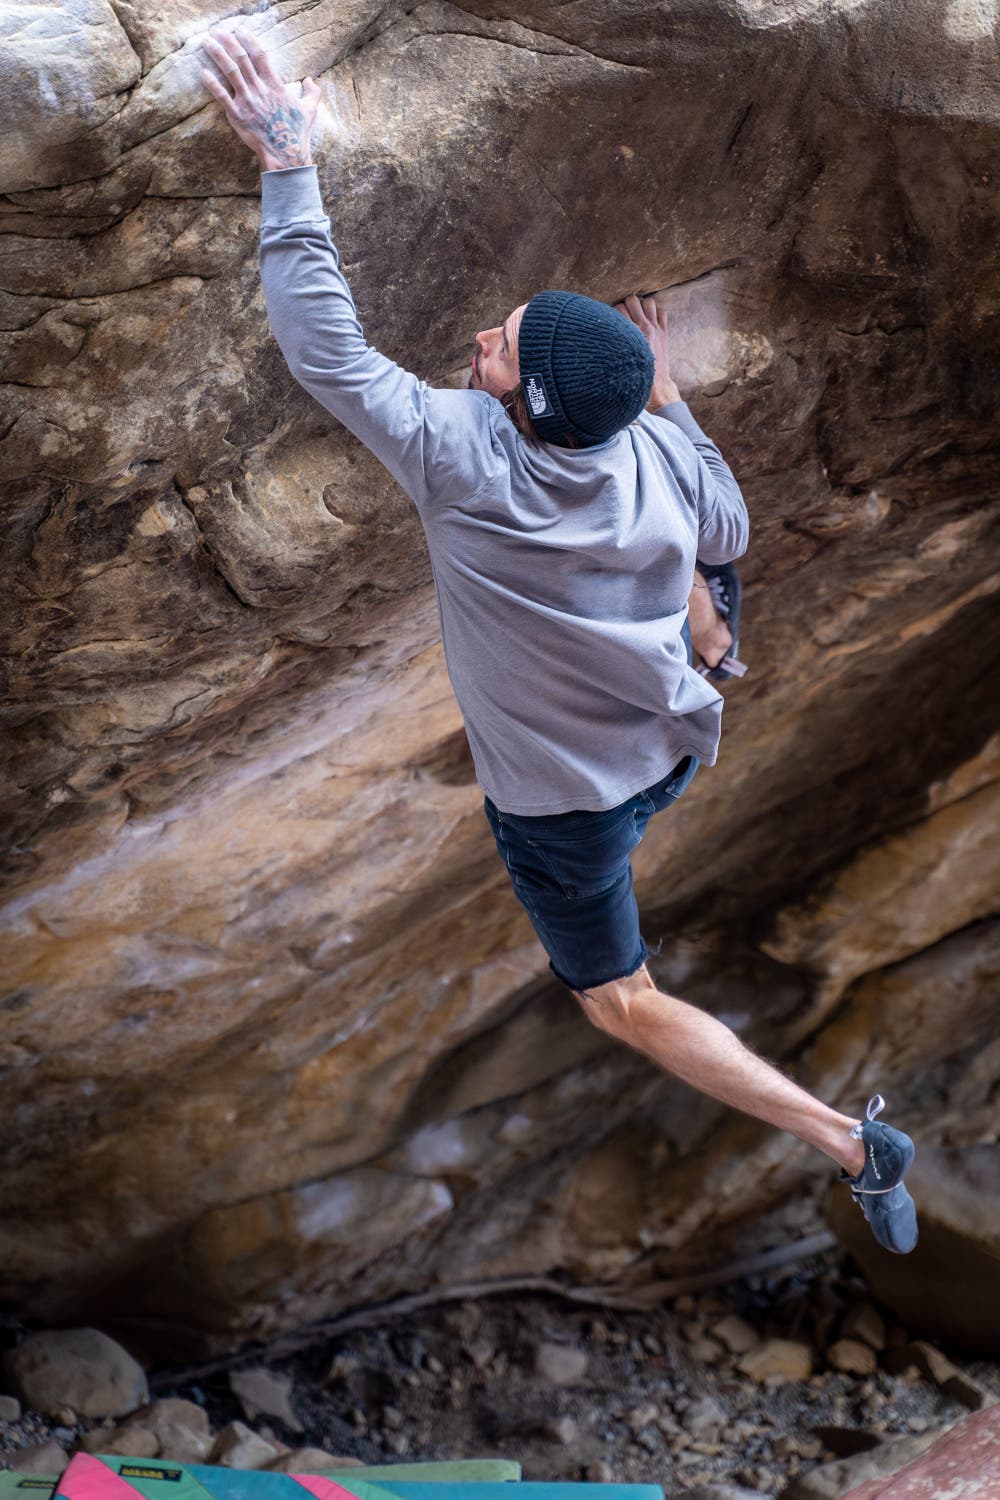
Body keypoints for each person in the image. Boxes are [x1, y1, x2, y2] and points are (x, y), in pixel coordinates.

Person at [200, 29, 918, 1254]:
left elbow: (325, 344)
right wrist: (668, 393)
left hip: (567, 810)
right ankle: (716, 649)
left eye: (499, 344)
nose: (480, 335)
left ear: (522, 406)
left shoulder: (462, 461)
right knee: (704, 564)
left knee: (621, 1005)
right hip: (671, 737)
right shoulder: (640, 442)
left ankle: (850, 1143)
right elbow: (729, 525)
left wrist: (286, 160)